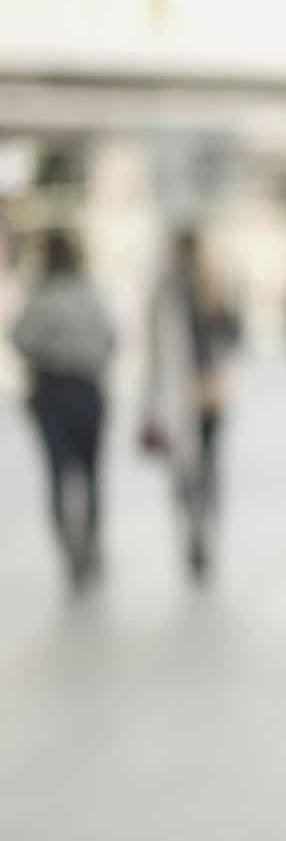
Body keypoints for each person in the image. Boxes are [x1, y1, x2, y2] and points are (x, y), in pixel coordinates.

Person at [9, 229, 116, 589]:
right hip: (85, 389)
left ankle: (73, 551)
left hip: (53, 390)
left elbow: (20, 338)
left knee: (58, 474)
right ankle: (90, 544)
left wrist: (50, 349)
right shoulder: (90, 294)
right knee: (89, 473)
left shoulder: (40, 297)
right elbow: (110, 339)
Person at [139, 228, 240, 582]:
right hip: (189, 391)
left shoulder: (201, 287)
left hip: (201, 391)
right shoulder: (169, 291)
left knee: (196, 464)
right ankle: (198, 526)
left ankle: (199, 526)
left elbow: (232, 333)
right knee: (196, 464)